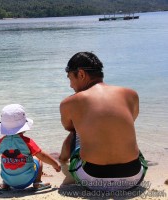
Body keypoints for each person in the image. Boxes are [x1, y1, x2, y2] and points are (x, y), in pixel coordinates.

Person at [59, 52, 148, 191]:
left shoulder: (69, 102)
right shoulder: (131, 94)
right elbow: (130, 120)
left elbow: (69, 128)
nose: (70, 85)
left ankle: (65, 169)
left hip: (91, 179)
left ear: (81, 74)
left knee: (75, 132)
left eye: (70, 78)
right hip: (133, 178)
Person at [0, 104, 61, 191]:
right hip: (27, 180)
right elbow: (42, 156)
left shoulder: (2, 141)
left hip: (8, 180)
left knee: (5, 158)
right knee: (38, 158)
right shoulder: (27, 141)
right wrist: (55, 164)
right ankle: (37, 183)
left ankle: (5, 184)